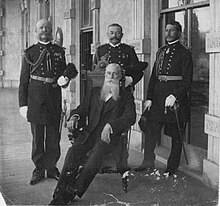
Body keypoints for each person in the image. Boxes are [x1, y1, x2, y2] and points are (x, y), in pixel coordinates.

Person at [48, 63, 136, 205]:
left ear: (120, 77)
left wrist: (111, 125)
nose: (111, 77)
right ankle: (60, 193)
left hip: (109, 138)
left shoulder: (126, 97)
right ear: (104, 75)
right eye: (108, 73)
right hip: (89, 134)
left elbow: (130, 117)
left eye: (115, 74)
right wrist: (75, 116)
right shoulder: (95, 92)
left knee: (94, 158)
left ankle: (68, 194)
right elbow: (82, 109)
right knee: (73, 152)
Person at [18, 19, 78, 185]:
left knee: (53, 135)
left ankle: (51, 168)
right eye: (41, 28)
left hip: (53, 97)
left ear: (51, 31)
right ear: (36, 31)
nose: (45, 30)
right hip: (35, 98)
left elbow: (64, 75)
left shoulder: (59, 51)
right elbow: (23, 81)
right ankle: (38, 169)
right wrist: (23, 104)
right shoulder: (29, 53)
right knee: (37, 137)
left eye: (48, 28)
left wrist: (64, 79)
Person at [135, 20, 193, 176]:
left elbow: (187, 81)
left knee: (176, 135)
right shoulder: (160, 52)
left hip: (175, 100)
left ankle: (171, 167)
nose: (168, 33)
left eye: (172, 30)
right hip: (158, 98)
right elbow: (154, 77)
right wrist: (149, 98)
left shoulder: (184, 53)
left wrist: (176, 95)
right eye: (166, 30)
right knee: (151, 132)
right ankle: (147, 162)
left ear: (179, 33)